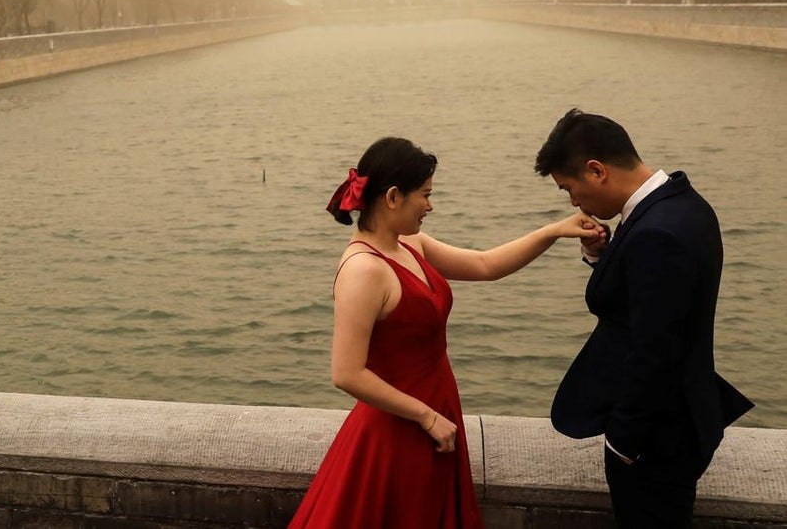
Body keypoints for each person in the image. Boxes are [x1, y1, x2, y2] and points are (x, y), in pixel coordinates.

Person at [289, 136, 598, 528]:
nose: (430, 206)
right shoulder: (363, 270)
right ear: (393, 197)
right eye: (425, 195)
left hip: (436, 411)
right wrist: (426, 416)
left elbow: (485, 265)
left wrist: (554, 231)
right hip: (399, 427)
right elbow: (346, 373)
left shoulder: (410, 244)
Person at [534, 108, 753, 528]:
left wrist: (623, 442)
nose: (574, 202)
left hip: (658, 438)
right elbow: (650, 306)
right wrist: (602, 256)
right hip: (673, 423)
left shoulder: (657, 232)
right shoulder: (683, 204)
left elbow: (654, 351)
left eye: (570, 189)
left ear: (596, 171)